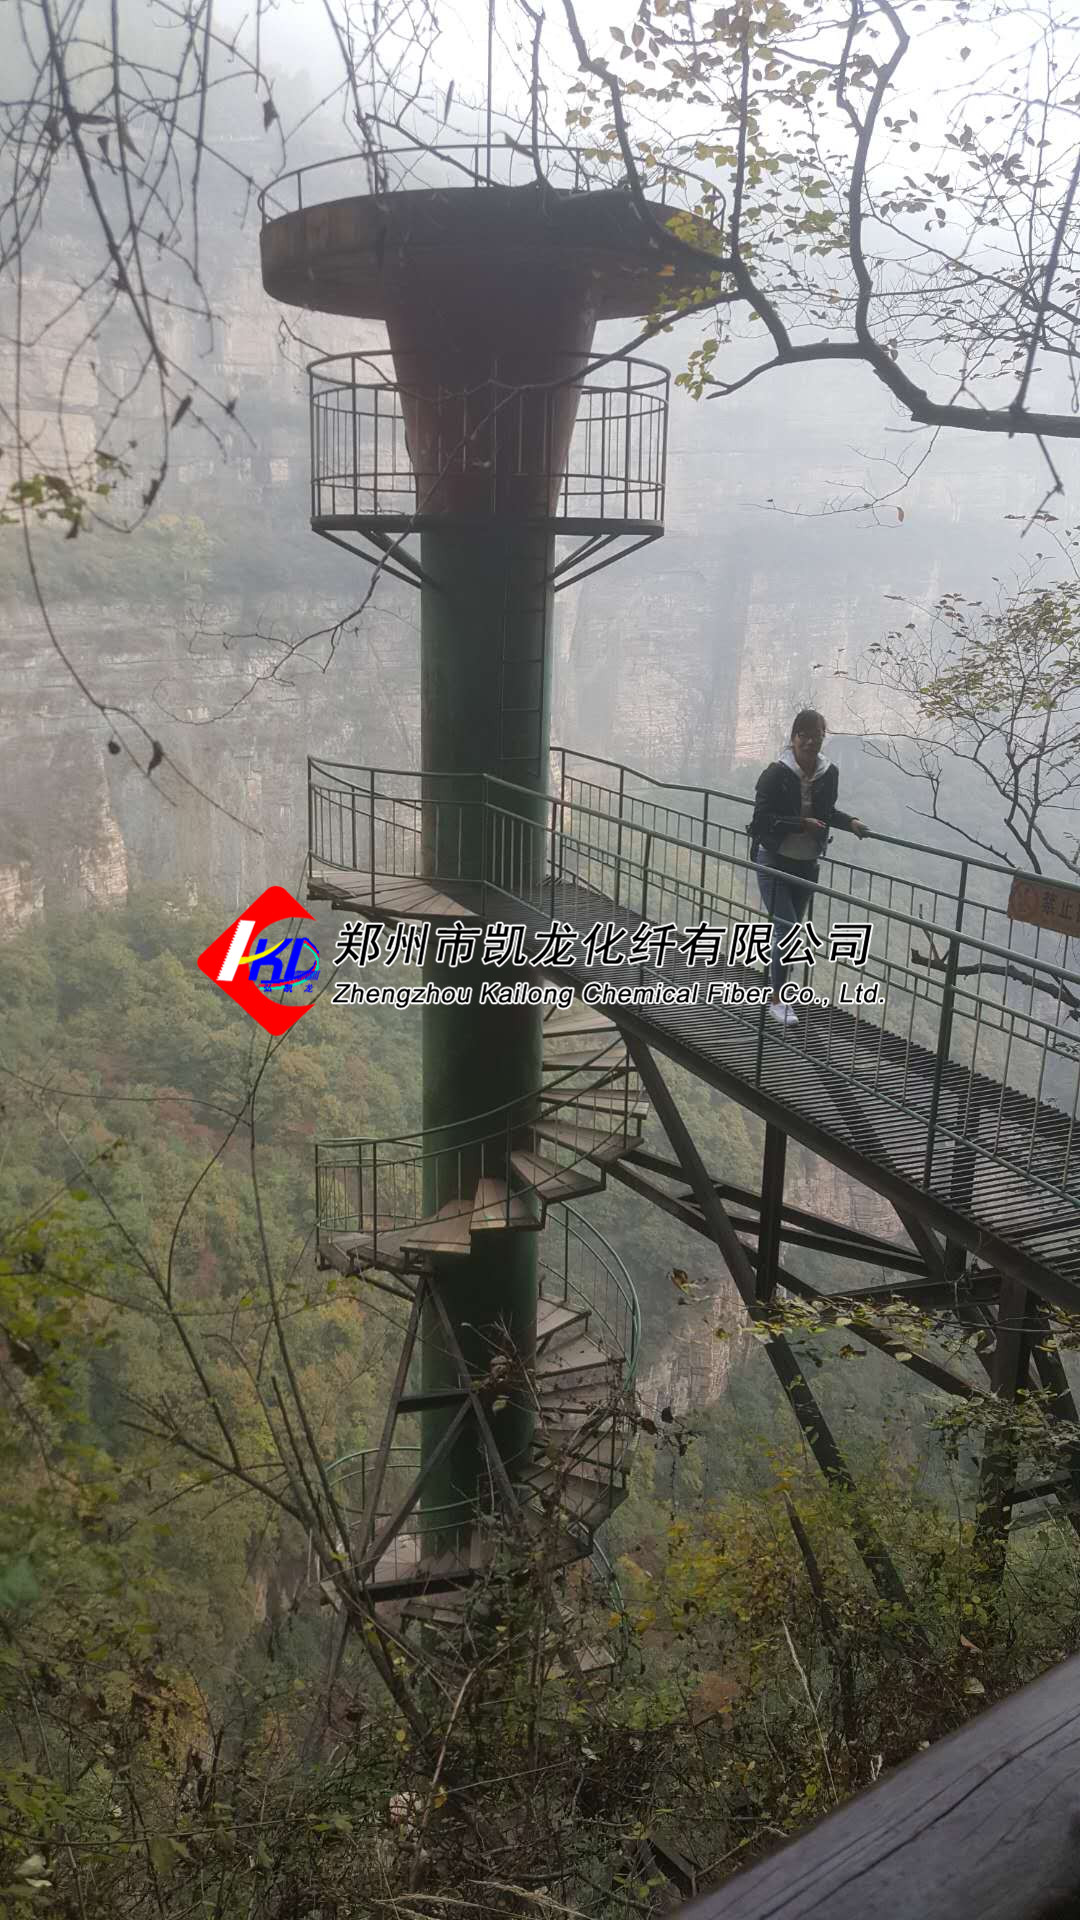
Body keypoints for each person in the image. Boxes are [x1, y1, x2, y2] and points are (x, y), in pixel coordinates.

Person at [749, 710, 870, 1026]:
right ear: (793, 737)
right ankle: (777, 1001)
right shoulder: (775, 774)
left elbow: (826, 813)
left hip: (806, 864)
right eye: (804, 734)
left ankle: (776, 987)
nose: (810, 741)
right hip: (774, 861)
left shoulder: (829, 773)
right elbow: (760, 821)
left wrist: (850, 822)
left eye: (817, 735)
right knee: (787, 930)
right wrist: (800, 824)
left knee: (790, 932)